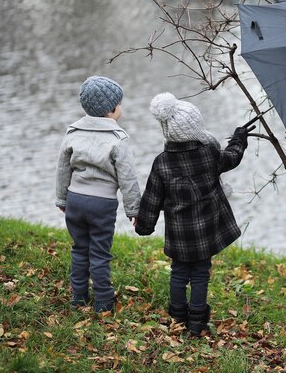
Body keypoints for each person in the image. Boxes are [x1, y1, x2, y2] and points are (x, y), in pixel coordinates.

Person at [135, 92, 252, 337]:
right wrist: (239, 139)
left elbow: (152, 197)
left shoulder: (162, 162)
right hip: (205, 231)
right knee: (200, 274)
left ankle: (177, 316)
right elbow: (231, 158)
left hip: (179, 234)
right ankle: (197, 323)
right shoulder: (208, 154)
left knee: (178, 273)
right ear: (195, 128)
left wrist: (144, 225)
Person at [55, 76, 141, 313]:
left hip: (75, 199)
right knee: (100, 253)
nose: (121, 108)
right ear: (111, 110)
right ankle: (103, 302)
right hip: (102, 203)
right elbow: (128, 178)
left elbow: (63, 168)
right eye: (120, 104)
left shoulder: (73, 132)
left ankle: (79, 298)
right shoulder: (118, 139)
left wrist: (62, 199)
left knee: (80, 249)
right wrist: (133, 209)